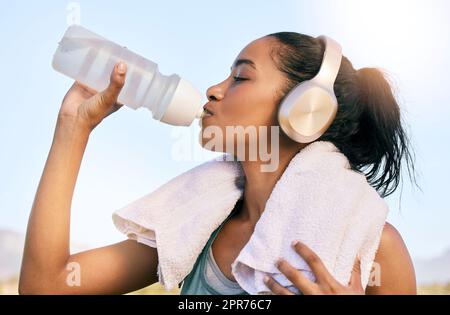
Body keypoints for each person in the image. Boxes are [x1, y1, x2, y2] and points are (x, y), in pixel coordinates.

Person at [19, 32, 417, 295]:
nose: (213, 89)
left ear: (305, 109)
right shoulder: (196, 227)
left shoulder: (376, 248)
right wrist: (74, 126)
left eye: (240, 77)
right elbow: (45, 286)